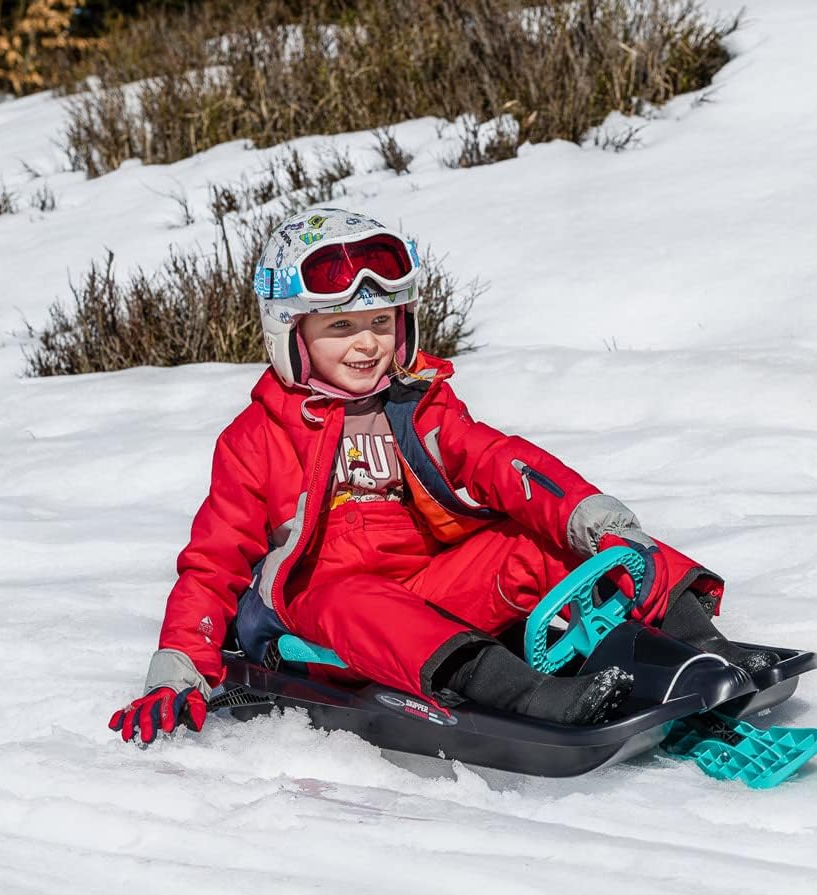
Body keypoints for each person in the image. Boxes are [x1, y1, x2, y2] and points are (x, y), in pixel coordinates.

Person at [110, 207, 770, 744]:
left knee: (532, 540)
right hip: (329, 615)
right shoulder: (256, 441)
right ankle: (527, 694)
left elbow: (498, 461)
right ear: (291, 333)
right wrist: (179, 668)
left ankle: (700, 643)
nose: (366, 343)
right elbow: (214, 563)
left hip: (434, 589)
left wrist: (588, 518)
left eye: (380, 322)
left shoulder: (418, 404)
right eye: (340, 326)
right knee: (351, 598)